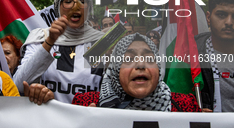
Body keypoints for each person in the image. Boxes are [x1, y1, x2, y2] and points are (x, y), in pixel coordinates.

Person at [13, 0, 105, 103]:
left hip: (89, 120)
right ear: (58, 6)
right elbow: (19, 84)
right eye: (68, 1)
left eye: (82, 1)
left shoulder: (103, 43)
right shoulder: (40, 37)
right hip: (48, 120)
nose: (76, 6)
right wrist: (50, 41)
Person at [72, 33, 201, 112]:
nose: (140, 65)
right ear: (115, 70)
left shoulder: (186, 105)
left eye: (149, 59)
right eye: (128, 59)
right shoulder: (84, 105)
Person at [195, 0, 234, 112]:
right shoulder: (190, 52)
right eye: (221, 15)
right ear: (208, 17)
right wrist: (192, 111)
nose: (229, 22)